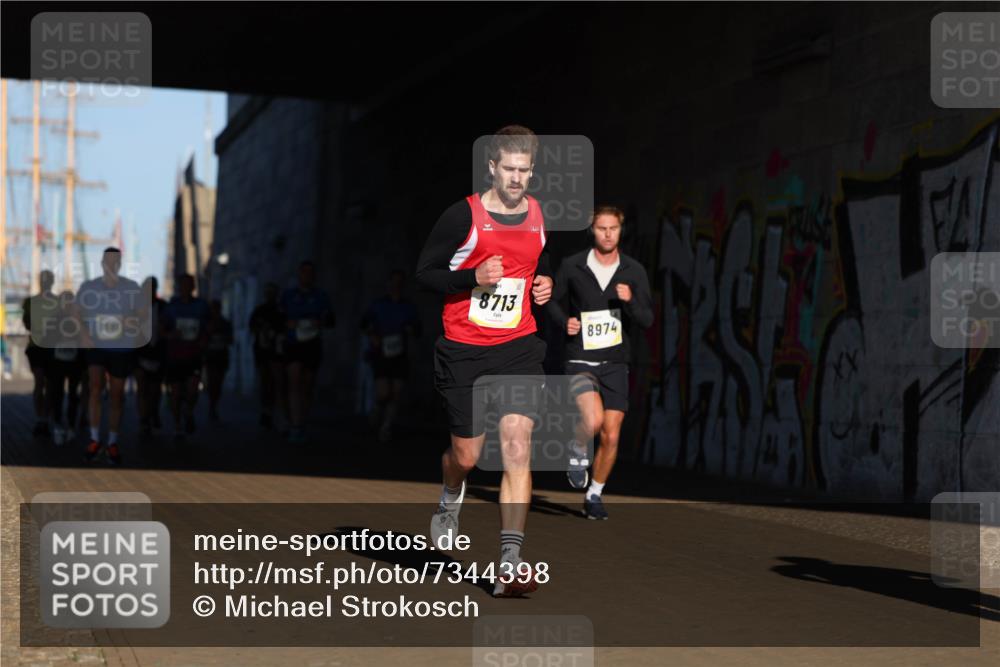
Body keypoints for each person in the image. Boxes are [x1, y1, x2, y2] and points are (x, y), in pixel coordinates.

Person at [416, 125, 553, 597]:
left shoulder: (537, 214)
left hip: (519, 344)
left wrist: (543, 287)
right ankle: (450, 494)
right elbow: (426, 274)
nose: (516, 179)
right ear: (492, 167)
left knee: (517, 446)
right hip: (465, 347)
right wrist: (471, 275)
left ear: (532, 170)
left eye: (524, 171)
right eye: (508, 169)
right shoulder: (463, 216)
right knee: (467, 455)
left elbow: (533, 269)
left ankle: (511, 562)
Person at [547, 207, 654, 519]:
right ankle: (579, 447)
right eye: (601, 228)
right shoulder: (573, 265)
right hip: (580, 356)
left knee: (611, 434)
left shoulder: (633, 271)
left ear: (621, 231)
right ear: (592, 231)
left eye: (613, 228)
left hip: (616, 361)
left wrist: (631, 300)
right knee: (592, 420)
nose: (608, 234)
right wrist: (562, 320)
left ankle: (594, 494)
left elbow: (647, 319)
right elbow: (551, 299)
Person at [78, 247, 145, 465]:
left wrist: (132, 322)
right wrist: (84, 335)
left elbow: (142, 315)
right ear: (102, 262)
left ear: (120, 263)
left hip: (121, 347)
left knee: (117, 395)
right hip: (96, 345)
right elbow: (75, 313)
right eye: (108, 260)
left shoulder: (131, 288)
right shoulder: (89, 288)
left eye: (115, 260)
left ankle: (113, 442)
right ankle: (95, 439)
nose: (111, 264)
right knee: (95, 387)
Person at [362, 269, 421, 443]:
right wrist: (372, 336)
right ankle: (376, 409)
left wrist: (412, 330)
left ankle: (386, 427)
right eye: (393, 281)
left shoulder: (408, 307)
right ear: (388, 283)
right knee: (383, 393)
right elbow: (364, 324)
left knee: (396, 393)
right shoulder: (378, 305)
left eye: (399, 282)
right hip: (381, 353)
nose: (396, 285)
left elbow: (418, 329)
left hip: (399, 354)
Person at [280, 261, 334, 443]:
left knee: (307, 385)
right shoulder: (288, 296)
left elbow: (330, 319)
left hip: (312, 343)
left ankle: (301, 421)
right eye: (304, 272)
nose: (307, 275)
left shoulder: (321, 296)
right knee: (293, 381)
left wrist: (321, 322)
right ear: (299, 274)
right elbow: (278, 317)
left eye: (310, 272)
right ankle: (295, 424)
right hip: (293, 343)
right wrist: (287, 324)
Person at [162, 273, 210, 440]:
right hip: (175, 356)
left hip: (194, 355)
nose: (185, 288)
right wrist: (170, 334)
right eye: (182, 285)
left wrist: (204, 340)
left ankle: (188, 412)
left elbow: (208, 327)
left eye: (189, 285)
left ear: (193, 287)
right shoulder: (171, 307)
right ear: (178, 287)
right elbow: (162, 330)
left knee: (192, 390)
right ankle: (177, 424)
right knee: (175, 393)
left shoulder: (201, 306)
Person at [46, 290, 85, 446]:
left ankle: (70, 424)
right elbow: (47, 340)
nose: (68, 304)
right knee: (58, 393)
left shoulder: (78, 320)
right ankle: (58, 423)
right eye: (66, 301)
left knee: (73, 395)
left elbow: (84, 341)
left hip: (74, 363)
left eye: (70, 301)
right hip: (58, 363)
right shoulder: (55, 319)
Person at [22, 270, 57, 436]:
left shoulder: (30, 302)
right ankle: (43, 418)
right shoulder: (56, 302)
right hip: (45, 348)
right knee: (45, 383)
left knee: (41, 383)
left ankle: (42, 418)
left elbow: (27, 324)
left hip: (41, 347)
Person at [249, 283, 286, 429]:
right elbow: (252, 327)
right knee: (265, 382)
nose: (270, 294)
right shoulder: (260, 311)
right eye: (268, 292)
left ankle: (277, 412)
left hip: (277, 352)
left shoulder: (281, 311)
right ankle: (267, 411)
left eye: (273, 291)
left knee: (277, 381)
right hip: (262, 352)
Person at [135, 277, 167, 436]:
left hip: (158, 354)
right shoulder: (136, 308)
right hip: (141, 354)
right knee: (142, 388)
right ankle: (143, 419)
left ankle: (153, 411)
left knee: (155, 389)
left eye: (152, 288)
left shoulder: (164, 307)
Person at [204, 299, 234, 421]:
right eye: (213, 308)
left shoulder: (225, 324)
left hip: (221, 356)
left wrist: (222, 339)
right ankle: (212, 405)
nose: (215, 311)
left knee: (218, 383)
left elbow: (231, 340)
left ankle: (214, 404)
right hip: (210, 357)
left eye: (216, 308)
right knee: (212, 382)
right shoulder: (206, 323)